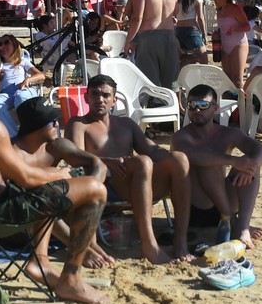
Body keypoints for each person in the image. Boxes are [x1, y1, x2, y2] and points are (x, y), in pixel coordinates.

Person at [0, 46, 108, 304]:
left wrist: (49, 175)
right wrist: (61, 173)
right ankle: (71, 280)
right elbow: (26, 179)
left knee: (44, 184)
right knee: (94, 189)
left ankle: (41, 262)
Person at [64, 75, 195, 265]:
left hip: (138, 183)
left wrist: (184, 160)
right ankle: (149, 244)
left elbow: (151, 150)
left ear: (114, 100)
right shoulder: (79, 124)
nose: (100, 99)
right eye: (95, 94)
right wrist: (108, 162)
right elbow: (74, 159)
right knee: (142, 162)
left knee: (179, 159)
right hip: (107, 185)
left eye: (105, 95)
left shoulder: (126, 124)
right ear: (86, 98)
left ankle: (180, 242)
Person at [10, 97, 115, 272]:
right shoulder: (12, 152)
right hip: (19, 224)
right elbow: (25, 199)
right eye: (52, 122)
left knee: (77, 188)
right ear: (35, 127)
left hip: (49, 215)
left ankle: (87, 242)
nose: (58, 124)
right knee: (44, 195)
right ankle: (81, 248)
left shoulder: (55, 146)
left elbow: (97, 164)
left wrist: (90, 193)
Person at [172, 83, 262, 248]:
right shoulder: (182, 136)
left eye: (203, 106)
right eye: (192, 105)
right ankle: (232, 220)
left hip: (224, 200)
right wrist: (233, 161)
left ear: (215, 108)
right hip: (196, 208)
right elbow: (195, 156)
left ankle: (242, 226)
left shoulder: (227, 133)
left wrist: (250, 166)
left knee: (250, 162)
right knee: (210, 162)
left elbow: (260, 149)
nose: (197, 110)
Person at [123, 0, 180, 89]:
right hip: (170, 37)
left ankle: (154, 106)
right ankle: (171, 106)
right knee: (171, 84)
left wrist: (129, 41)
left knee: (150, 83)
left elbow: (137, 18)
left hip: (149, 39)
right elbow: (175, 13)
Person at [213, 0, 250, 90]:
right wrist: (217, 34)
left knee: (237, 80)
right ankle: (231, 102)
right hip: (225, 45)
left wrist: (235, 29)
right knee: (227, 79)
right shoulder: (219, 10)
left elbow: (247, 26)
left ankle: (241, 104)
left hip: (238, 44)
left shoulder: (236, 9)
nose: (214, 0)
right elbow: (223, 28)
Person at [0, 32, 46, 102]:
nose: (3, 46)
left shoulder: (22, 61)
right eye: (0, 44)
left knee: (20, 96)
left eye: (6, 42)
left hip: (21, 89)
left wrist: (28, 80)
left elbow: (41, 75)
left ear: (14, 45)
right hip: (6, 94)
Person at [173, 0, 208, 65]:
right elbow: (200, 17)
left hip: (178, 30)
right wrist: (204, 34)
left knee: (182, 57)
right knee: (203, 58)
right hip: (191, 30)